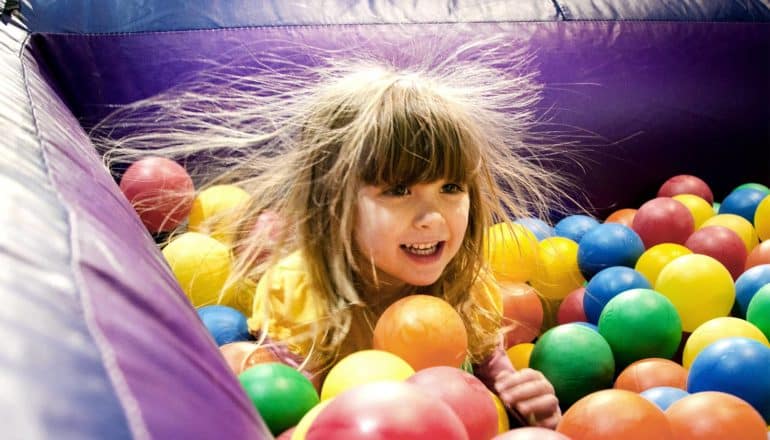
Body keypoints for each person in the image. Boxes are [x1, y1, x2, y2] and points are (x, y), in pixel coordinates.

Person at [96, 37, 578, 430]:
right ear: (337, 205)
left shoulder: (469, 291)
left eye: (451, 187)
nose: (432, 216)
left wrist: (524, 402)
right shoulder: (304, 299)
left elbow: (492, 385)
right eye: (398, 190)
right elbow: (295, 412)